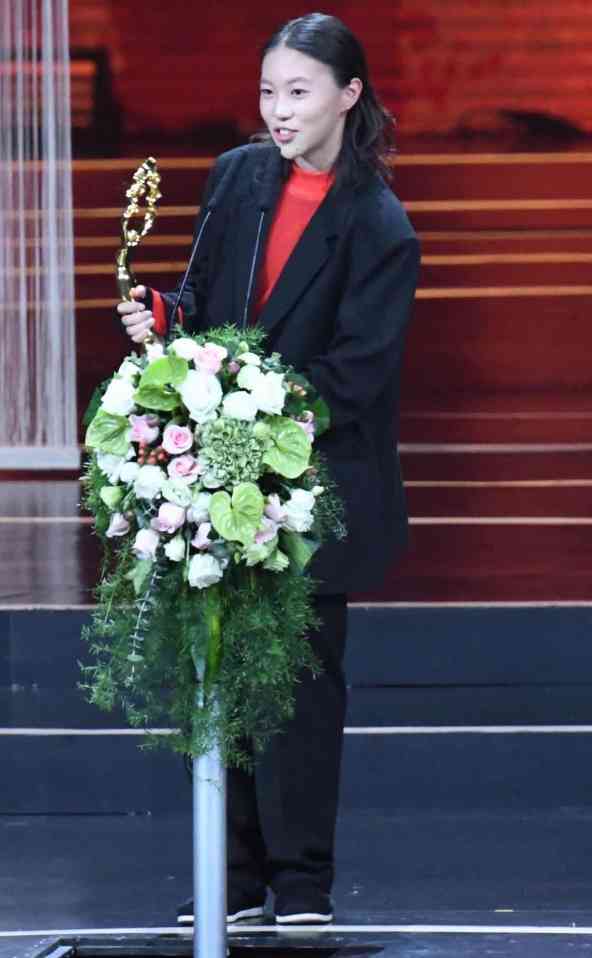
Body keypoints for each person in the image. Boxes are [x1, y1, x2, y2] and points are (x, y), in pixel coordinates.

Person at [116, 11, 420, 927]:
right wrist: (165, 321)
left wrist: (252, 418)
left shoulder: (378, 224)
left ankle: (300, 884)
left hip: (312, 486)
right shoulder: (238, 178)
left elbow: (356, 376)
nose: (278, 111)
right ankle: (234, 878)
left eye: (298, 92)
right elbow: (207, 299)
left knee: (298, 683)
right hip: (216, 472)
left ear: (348, 95)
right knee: (219, 668)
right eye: (267, 92)